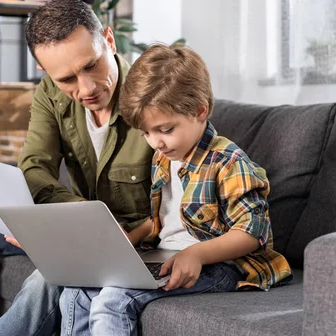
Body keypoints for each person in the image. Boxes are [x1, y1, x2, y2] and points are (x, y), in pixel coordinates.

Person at [0, 0, 154, 336]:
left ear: (108, 40)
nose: (86, 88)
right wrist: (66, 220)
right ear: (46, 72)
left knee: (50, 275)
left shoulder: (153, 94)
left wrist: (81, 230)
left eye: (92, 65)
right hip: (77, 226)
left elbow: (177, 205)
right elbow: (35, 169)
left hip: (133, 240)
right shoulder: (51, 94)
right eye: (67, 78)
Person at [59, 44, 293, 336]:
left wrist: (196, 254)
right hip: (165, 254)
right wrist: (128, 240)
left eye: (165, 130)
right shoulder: (164, 158)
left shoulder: (229, 162)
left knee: (114, 300)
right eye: (146, 132)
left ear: (199, 111)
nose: (155, 142)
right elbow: (165, 219)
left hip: (221, 265)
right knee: (76, 292)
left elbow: (253, 233)